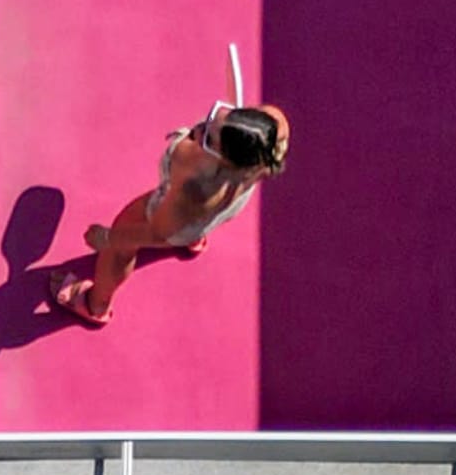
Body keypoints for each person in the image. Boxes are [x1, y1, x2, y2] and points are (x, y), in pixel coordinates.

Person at [49, 102, 289, 328]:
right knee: (196, 224)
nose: (198, 128)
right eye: (215, 115)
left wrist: (110, 238)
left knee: (123, 243)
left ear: (226, 160)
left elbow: (156, 232)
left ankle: (95, 304)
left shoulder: (197, 190)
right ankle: (195, 238)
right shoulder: (269, 131)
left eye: (208, 138)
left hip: (178, 218)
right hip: (213, 213)